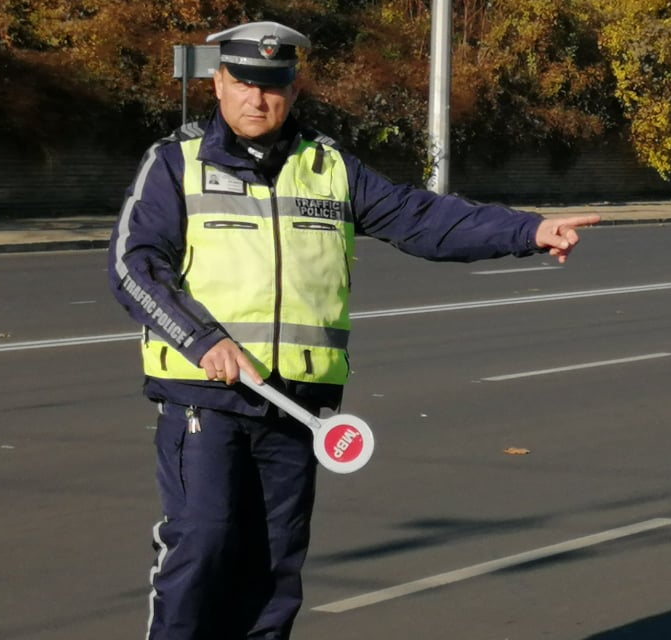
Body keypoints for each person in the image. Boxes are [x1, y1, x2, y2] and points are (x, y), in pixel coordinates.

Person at [108, 19, 599, 640]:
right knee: (201, 549)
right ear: (218, 82)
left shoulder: (328, 166)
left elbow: (422, 219)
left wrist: (527, 230)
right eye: (245, 84)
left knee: (272, 572)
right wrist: (203, 340)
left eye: (274, 86)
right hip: (207, 398)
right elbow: (134, 267)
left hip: (298, 407)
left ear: (293, 88)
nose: (259, 100)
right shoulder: (174, 164)